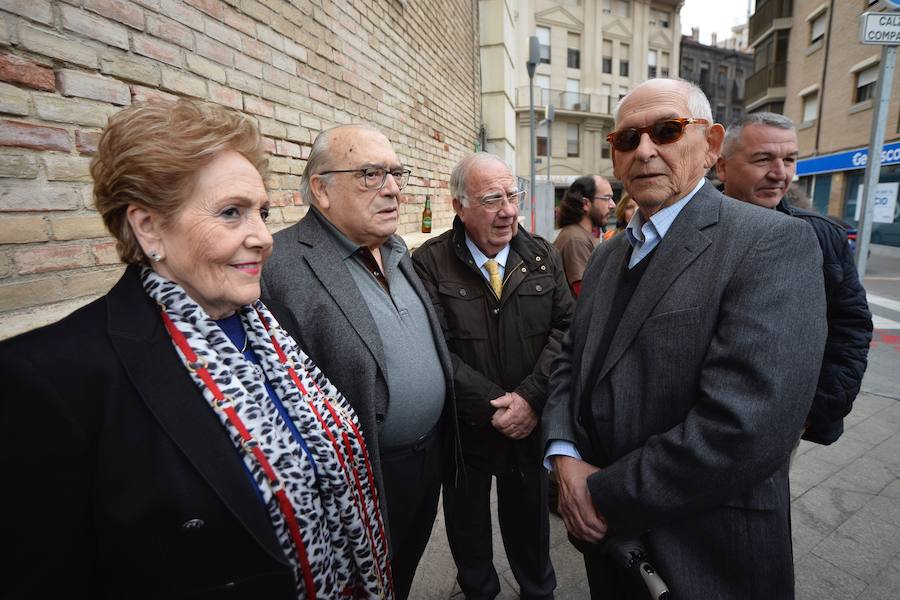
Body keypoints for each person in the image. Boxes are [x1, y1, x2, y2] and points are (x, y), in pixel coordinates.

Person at [0, 100, 391, 598]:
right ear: (148, 227)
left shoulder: (274, 327)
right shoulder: (54, 378)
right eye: (232, 213)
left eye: (263, 213)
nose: (264, 237)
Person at [542, 78, 827, 599]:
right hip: (611, 548)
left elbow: (745, 427)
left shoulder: (771, 243)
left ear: (711, 145)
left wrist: (596, 492)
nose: (645, 150)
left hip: (706, 551)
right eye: (627, 139)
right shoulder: (608, 253)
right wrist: (562, 456)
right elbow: (571, 361)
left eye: (667, 131)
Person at [261, 124, 459, 600]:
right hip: (362, 477)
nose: (392, 188)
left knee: (401, 572)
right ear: (321, 191)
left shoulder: (395, 249)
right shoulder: (280, 264)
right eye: (371, 174)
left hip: (427, 460)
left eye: (394, 173)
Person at [412, 153, 574, 600]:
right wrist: (491, 406)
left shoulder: (541, 254)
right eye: (492, 199)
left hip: (529, 424)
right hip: (467, 429)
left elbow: (566, 329)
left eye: (512, 196)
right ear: (459, 206)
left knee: (530, 521)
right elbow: (432, 344)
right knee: (467, 525)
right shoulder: (428, 262)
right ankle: (478, 591)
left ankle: (538, 589)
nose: (508, 210)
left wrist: (530, 400)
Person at [716, 112, 872, 445]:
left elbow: (850, 326)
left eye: (789, 160)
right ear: (722, 166)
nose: (779, 173)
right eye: (763, 159)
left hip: (780, 427)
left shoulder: (822, 237)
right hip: (694, 422)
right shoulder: (689, 232)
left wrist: (813, 410)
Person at [554, 175, 615, 297]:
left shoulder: (579, 235)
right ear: (586, 203)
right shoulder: (576, 240)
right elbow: (587, 295)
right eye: (607, 198)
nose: (612, 205)